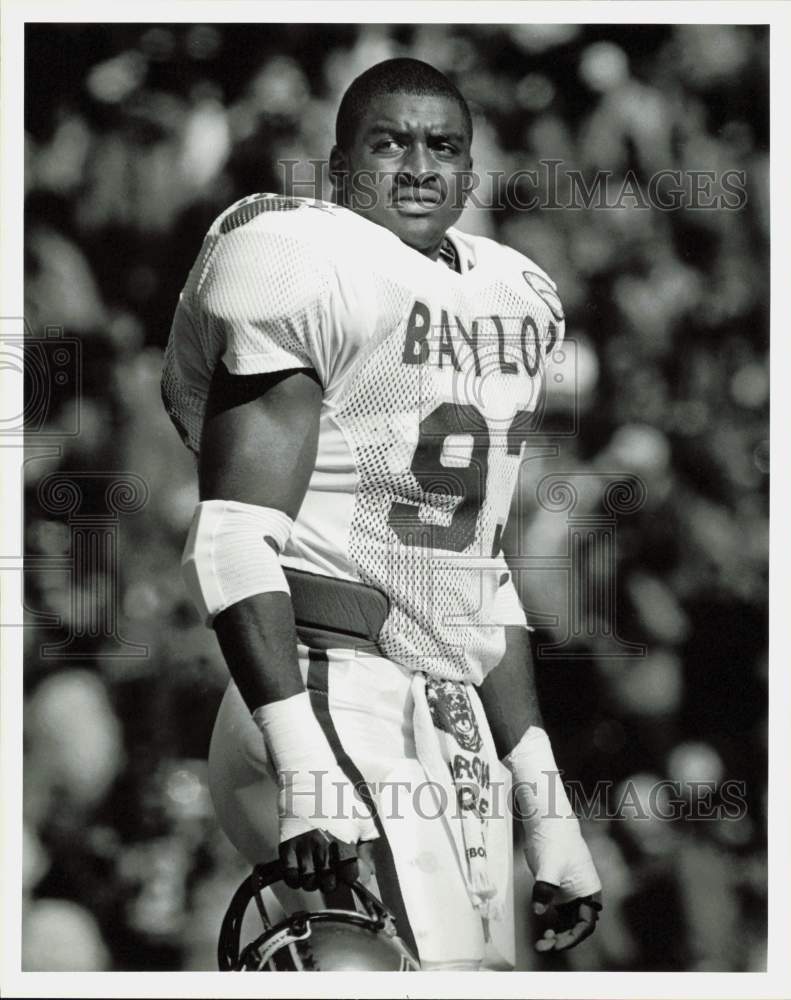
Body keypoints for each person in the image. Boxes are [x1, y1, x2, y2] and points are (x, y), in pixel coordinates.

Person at [161, 57, 602, 970]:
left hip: (442, 707)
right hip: (322, 682)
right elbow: (234, 534)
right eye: (388, 142)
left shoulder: (513, 293)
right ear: (337, 165)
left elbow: (477, 579)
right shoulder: (301, 259)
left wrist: (547, 808)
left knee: (477, 981)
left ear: (471, 174)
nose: (416, 165)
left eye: (442, 146)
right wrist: (304, 761)